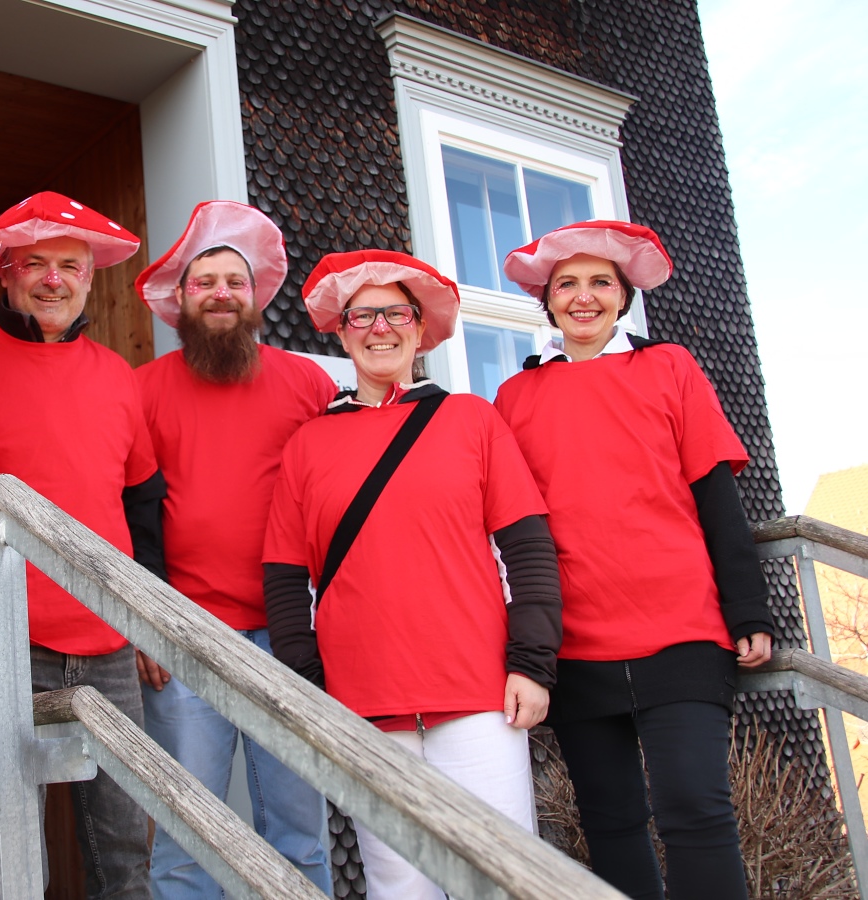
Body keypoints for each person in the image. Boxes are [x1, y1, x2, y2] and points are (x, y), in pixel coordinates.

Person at [262, 250, 562, 900]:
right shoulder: (307, 445)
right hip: (364, 704)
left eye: (397, 313)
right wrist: (312, 688)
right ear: (342, 332)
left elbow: (527, 548)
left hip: (479, 697)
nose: (380, 328)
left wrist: (533, 664)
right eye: (363, 316)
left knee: (502, 879)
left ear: (420, 329)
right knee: (398, 886)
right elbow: (286, 581)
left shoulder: (472, 419)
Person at [493, 220, 774, 900]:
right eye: (567, 284)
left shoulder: (670, 367)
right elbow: (511, 526)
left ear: (623, 296)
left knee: (695, 809)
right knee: (610, 822)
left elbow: (716, 494)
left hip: (681, 627)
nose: (583, 297)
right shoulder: (515, 396)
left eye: (601, 283)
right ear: (548, 300)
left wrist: (748, 609)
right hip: (575, 640)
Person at [0, 191, 160, 899]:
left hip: (110, 640)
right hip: (2, 637)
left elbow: (142, 505)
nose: (53, 280)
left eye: (70, 265)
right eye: (35, 264)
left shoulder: (117, 374)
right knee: (8, 848)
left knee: (125, 845)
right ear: (4, 273)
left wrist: (147, 621)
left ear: (91, 278)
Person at [133, 201, 336, 898]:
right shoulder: (143, 389)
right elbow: (127, 513)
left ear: (256, 298)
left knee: (299, 835)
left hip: (291, 638)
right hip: (185, 637)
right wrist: (144, 624)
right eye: (205, 282)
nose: (221, 293)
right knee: (187, 837)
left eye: (234, 282)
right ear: (181, 299)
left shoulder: (309, 384)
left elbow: (336, 503)